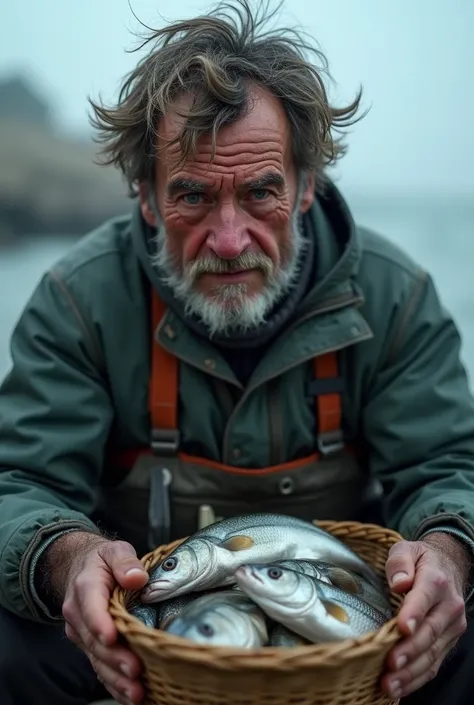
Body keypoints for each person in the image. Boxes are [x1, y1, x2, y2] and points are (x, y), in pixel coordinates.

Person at [1, 1, 474, 704]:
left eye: (261, 193)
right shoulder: (76, 301)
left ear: (306, 185)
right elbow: (20, 481)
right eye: (192, 194)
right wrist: (69, 562)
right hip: (143, 638)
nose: (229, 239)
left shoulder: (398, 298)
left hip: (352, 644)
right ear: (147, 197)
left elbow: (449, 467)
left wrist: (445, 553)